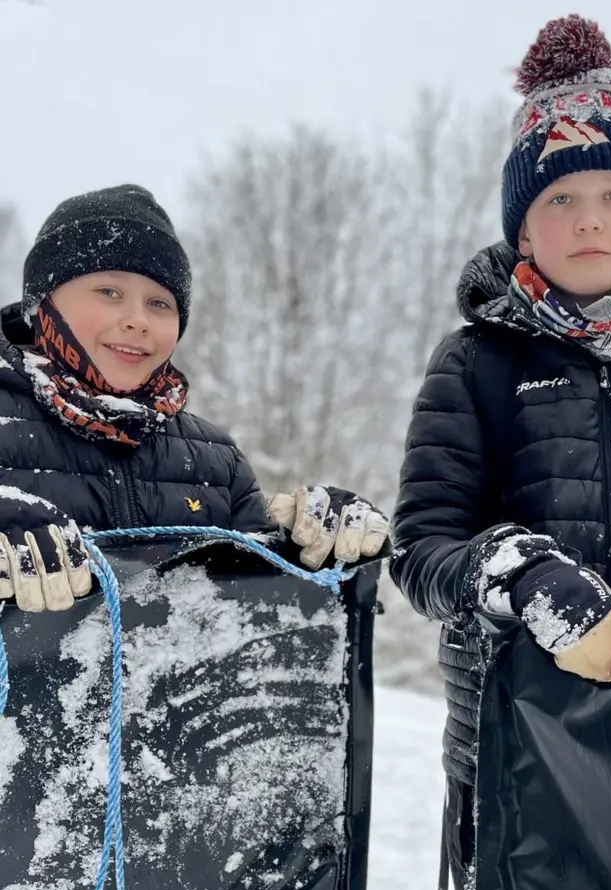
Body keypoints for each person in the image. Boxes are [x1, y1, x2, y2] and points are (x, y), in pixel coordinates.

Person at [390, 13, 611, 890]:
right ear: (523, 222)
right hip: (521, 753)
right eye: (559, 198)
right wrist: (517, 575)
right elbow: (421, 550)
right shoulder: (473, 363)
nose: (589, 218)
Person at [0, 183, 388, 612]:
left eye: (160, 303)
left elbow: (256, 612)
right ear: (43, 304)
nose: (138, 320)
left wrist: (318, 541)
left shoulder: (216, 461)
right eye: (109, 292)